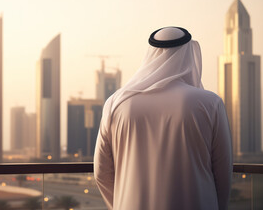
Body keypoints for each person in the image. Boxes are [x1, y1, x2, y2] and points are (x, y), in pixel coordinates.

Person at [94, 27, 232, 210]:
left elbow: (101, 173)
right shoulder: (210, 103)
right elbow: (223, 174)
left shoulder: (116, 104)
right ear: (188, 53)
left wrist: (121, 203)